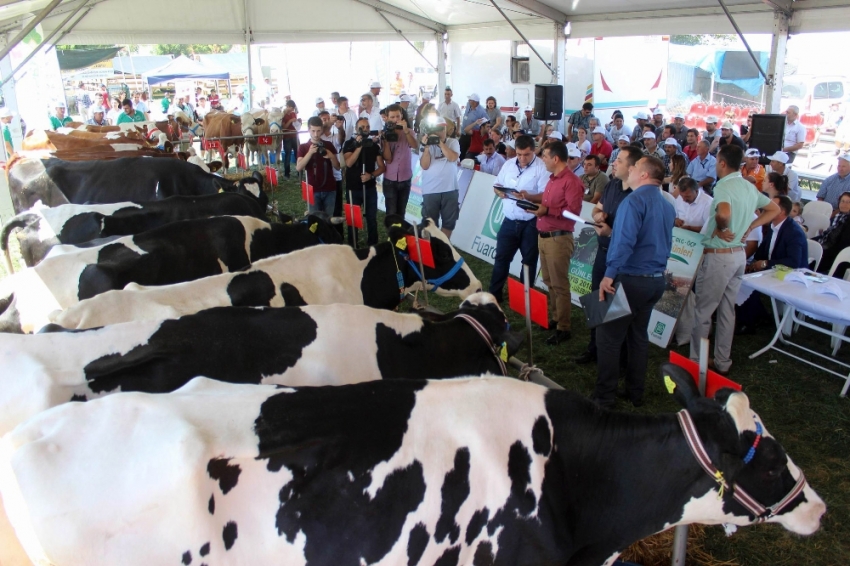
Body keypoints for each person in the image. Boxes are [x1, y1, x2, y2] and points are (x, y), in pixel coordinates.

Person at [592, 155, 675, 407]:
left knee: (608, 338)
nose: (631, 168)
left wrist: (609, 274)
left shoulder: (633, 201)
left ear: (644, 174)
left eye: (636, 166)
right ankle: (634, 391)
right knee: (638, 336)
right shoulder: (667, 205)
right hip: (654, 280)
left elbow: (623, 241)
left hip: (629, 278)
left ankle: (604, 398)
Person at [690, 145, 779, 376]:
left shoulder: (724, 186)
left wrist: (721, 226)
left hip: (720, 255)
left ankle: (697, 361)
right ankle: (722, 361)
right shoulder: (748, 186)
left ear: (721, 162)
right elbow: (774, 208)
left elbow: (724, 213)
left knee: (704, 311)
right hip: (738, 255)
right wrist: (752, 225)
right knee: (727, 310)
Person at [575, 146, 642, 365]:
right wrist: (599, 214)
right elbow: (597, 209)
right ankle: (594, 348)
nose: (613, 163)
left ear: (632, 167)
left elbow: (636, 236)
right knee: (597, 301)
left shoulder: (638, 194)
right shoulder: (613, 184)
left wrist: (611, 233)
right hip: (603, 253)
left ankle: (619, 359)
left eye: (619, 161)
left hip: (623, 261)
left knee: (619, 311)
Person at [518, 140, 583, 345]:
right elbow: (546, 201)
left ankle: (564, 326)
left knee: (559, 284)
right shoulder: (553, 178)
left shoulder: (571, 181)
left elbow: (573, 213)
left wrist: (547, 211)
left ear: (555, 158)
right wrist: (531, 197)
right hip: (545, 236)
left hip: (559, 237)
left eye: (545, 156)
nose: (542, 159)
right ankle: (556, 318)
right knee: (549, 281)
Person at [489, 134, 549, 302]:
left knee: (528, 262)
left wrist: (528, 196)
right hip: (509, 220)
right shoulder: (508, 164)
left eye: (526, 154)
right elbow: (497, 185)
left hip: (531, 222)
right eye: (519, 154)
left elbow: (546, 195)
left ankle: (524, 299)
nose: (522, 158)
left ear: (534, 151)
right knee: (501, 258)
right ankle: (494, 295)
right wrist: (500, 192)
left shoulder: (542, 168)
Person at [737, 195, 809, 333]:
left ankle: (751, 320)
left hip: (792, 274)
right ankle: (755, 316)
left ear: (781, 211)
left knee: (747, 283)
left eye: (771, 206)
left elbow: (794, 262)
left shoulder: (794, 232)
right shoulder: (774, 226)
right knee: (741, 275)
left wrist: (765, 264)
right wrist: (752, 264)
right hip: (774, 269)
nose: (766, 209)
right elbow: (762, 251)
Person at [343, 117, 386, 246]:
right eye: (362, 127)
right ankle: (353, 244)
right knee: (353, 218)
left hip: (369, 188)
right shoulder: (349, 144)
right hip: (353, 188)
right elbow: (349, 163)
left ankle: (373, 244)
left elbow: (382, 167)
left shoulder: (373, 145)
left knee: (371, 218)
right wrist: (359, 146)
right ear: (356, 129)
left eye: (367, 127)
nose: (365, 129)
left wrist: (371, 175)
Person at [419, 116, 461, 237]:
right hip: (431, 190)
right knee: (429, 224)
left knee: (449, 223)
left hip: (450, 189)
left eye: (442, 129)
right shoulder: (425, 144)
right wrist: (426, 147)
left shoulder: (453, 142)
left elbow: (453, 158)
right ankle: (430, 251)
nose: (440, 132)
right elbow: (425, 165)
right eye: (437, 129)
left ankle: (443, 248)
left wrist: (440, 143)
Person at [296, 116, 341, 216]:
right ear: (308, 130)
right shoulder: (303, 147)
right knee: (314, 221)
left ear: (322, 130)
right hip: (313, 189)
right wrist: (310, 153)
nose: (315, 134)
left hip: (329, 188)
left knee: (328, 220)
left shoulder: (328, 145)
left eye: (318, 131)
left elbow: (338, 167)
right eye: (313, 131)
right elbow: (299, 167)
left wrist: (331, 156)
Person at [382, 103, 417, 218]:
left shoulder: (409, 132)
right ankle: (391, 235)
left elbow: (414, 145)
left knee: (401, 212)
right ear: (386, 118)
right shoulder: (384, 133)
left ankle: (400, 235)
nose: (396, 119)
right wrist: (385, 141)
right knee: (391, 212)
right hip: (390, 178)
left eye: (397, 116)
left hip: (405, 177)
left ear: (402, 115)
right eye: (392, 117)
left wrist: (406, 130)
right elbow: (388, 159)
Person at [815, 192, 850, 277]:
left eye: (848, 202)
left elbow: (841, 244)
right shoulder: (838, 217)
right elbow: (827, 235)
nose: (844, 204)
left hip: (835, 254)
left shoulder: (848, 221)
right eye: (842, 201)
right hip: (827, 246)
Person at [459, 93, 487, 158]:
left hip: (472, 135)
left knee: (469, 153)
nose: (469, 101)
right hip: (464, 133)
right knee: (460, 151)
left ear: (475, 102)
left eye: (470, 100)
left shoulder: (482, 111)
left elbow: (486, 121)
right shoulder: (468, 105)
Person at [280, 100, 299, 179]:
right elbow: (284, 127)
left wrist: (298, 122)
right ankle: (287, 173)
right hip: (287, 137)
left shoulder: (293, 114)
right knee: (287, 155)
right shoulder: (283, 115)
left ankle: (299, 172)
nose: (291, 109)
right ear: (287, 106)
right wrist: (291, 121)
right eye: (290, 107)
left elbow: (296, 124)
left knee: (297, 154)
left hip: (295, 135)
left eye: (292, 108)